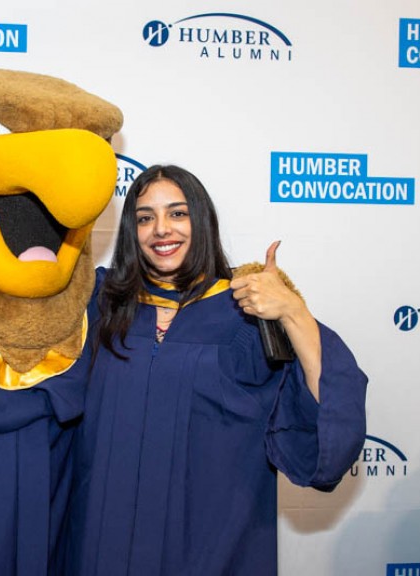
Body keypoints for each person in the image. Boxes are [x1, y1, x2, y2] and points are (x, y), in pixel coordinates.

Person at [57, 164, 368, 575]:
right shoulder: (100, 302)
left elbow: (329, 414)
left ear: (201, 221)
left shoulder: (247, 310)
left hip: (212, 543)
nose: (161, 229)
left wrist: (293, 312)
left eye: (177, 213)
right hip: (103, 538)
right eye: (145, 217)